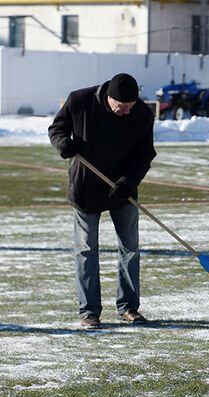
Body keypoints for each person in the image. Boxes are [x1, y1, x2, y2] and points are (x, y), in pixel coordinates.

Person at [48, 73, 156, 329]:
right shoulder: (79, 100)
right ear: (109, 98)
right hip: (85, 189)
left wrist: (128, 182)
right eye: (123, 107)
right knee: (86, 250)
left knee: (130, 249)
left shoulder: (141, 114)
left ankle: (128, 307)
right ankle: (89, 312)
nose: (127, 112)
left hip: (122, 190)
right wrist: (63, 143)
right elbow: (57, 128)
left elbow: (144, 155)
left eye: (131, 106)